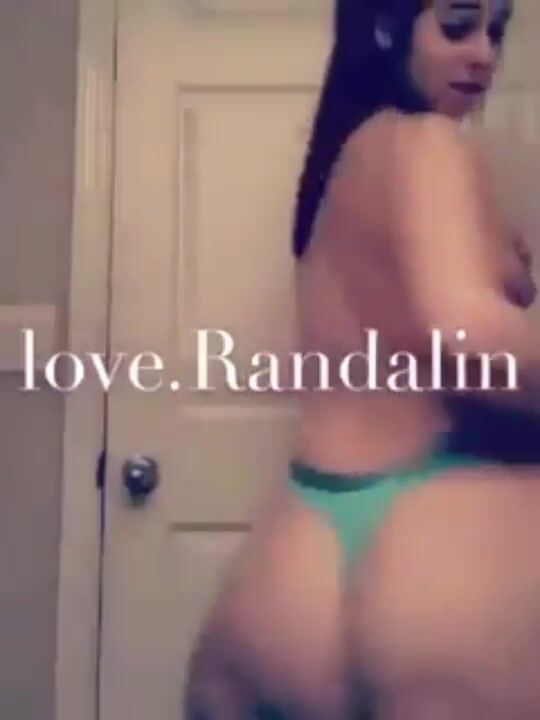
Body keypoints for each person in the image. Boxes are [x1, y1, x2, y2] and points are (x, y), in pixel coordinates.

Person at [185, 1, 540, 718]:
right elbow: (469, 331)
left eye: (496, 32)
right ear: (385, 26)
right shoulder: (426, 142)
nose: (483, 53)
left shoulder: (343, 165)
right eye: (458, 25)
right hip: (440, 557)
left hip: (286, 573)